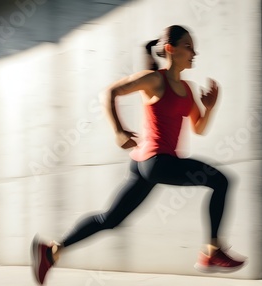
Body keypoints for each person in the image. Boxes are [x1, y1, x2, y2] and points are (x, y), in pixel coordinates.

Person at [31, 25, 245, 285]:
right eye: (188, 46)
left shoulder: (188, 90)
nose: (194, 52)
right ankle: (212, 251)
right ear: (170, 49)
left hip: (145, 165)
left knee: (110, 219)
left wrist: (209, 108)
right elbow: (109, 93)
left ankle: (52, 251)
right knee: (220, 181)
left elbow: (198, 128)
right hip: (157, 162)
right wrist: (119, 131)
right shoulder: (155, 79)